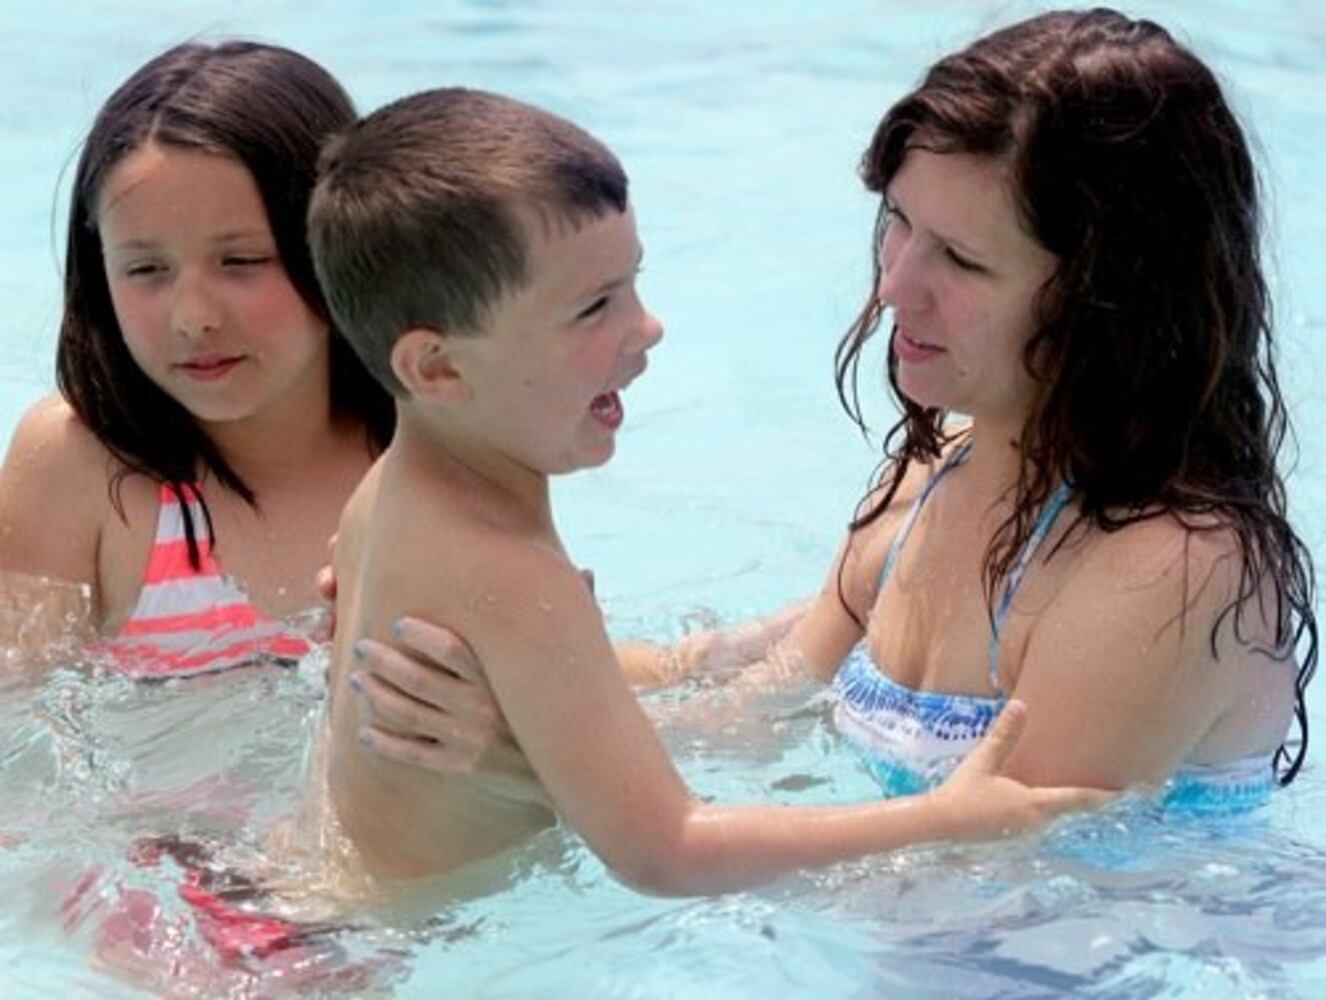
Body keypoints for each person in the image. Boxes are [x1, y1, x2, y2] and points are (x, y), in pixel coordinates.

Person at [348, 8, 1316, 814]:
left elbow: (977, 887)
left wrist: (522, 768)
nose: (897, 285)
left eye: (965, 261)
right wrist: (478, 668)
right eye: (897, 221)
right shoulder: (928, 480)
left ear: (1116, 297)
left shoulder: (1175, 571)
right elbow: (753, 713)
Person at [305, 85, 1105, 897]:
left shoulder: (386, 497)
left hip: (340, 906)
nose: (646, 327)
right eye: (594, 308)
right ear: (437, 368)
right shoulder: (508, 571)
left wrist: (714, 657)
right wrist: (945, 818)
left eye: (632, 284)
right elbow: (671, 851)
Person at [0, 41, 395, 677]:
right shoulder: (80, 466)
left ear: (339, 251)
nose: (194, 317)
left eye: (242, 262)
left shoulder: (426, 455)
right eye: (146, 269)